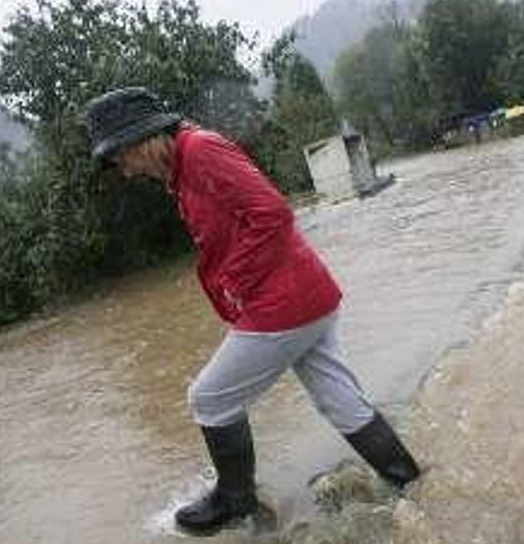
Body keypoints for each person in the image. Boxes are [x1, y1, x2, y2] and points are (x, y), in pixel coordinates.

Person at [84, 87, 420, 535]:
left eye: (119, 158)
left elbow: (273, 213)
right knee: (340, 401)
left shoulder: (199, 150)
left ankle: (237, 501)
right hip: (304, 295)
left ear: (139, 141)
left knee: (209, 398)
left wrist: (233, 280)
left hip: (284, 300)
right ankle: (415, 488)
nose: (123, 171)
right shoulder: (180, 169)